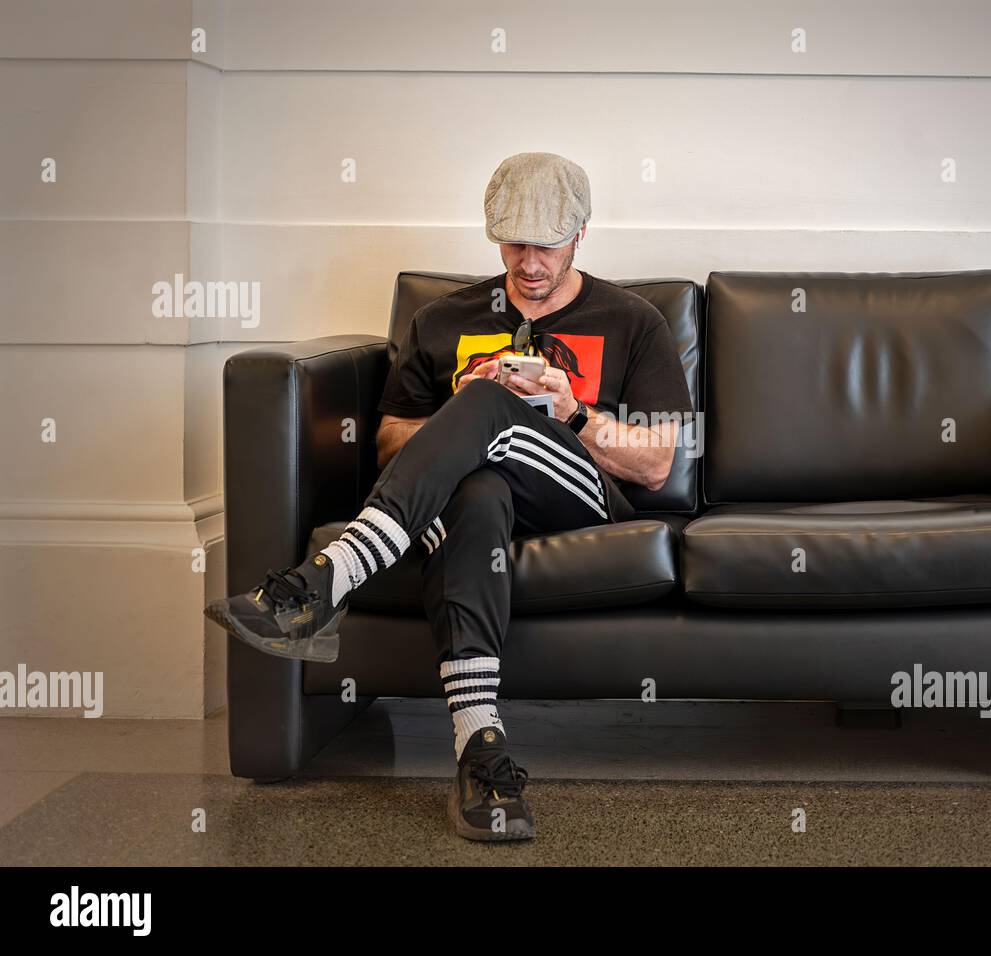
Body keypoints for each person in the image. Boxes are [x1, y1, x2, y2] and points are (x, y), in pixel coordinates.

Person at [205, 152, 694, 842]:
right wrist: (461, 416)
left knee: (488, 410)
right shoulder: (443, 319)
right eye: (514, 244)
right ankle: (480, 750)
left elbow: (655, 466)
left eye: (546, 245)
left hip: (582, 493)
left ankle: (329, 579)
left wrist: (570, 408)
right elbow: (388, 443)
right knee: (475, 492)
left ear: (580, 233)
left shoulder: (633, 319)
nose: (529, 263)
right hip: (471, 499)